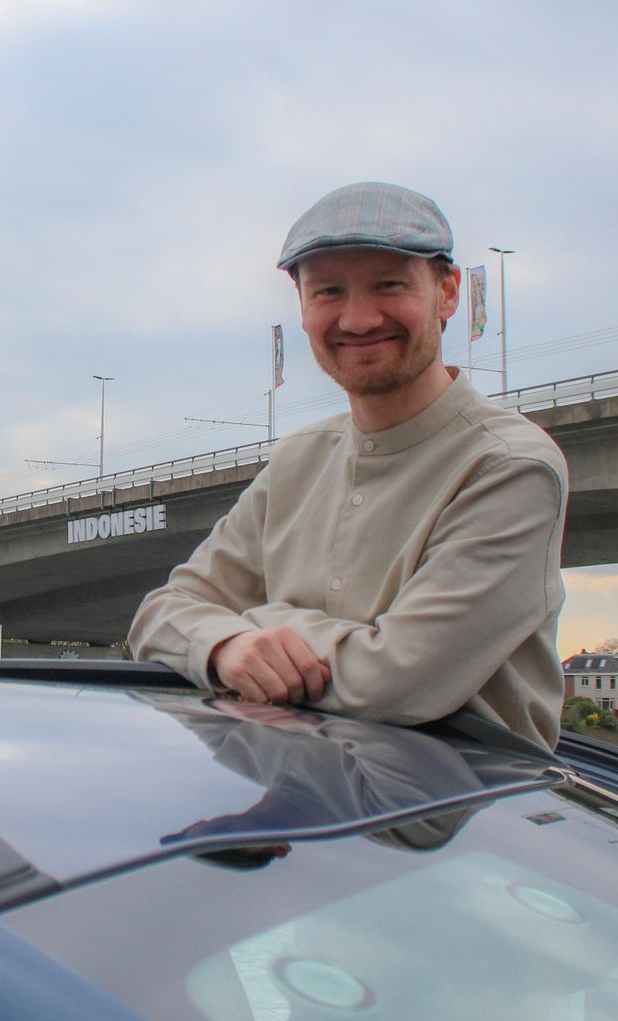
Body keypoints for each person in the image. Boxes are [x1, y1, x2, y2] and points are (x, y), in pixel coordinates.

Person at [128, 181, 569, 751]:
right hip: (301, 813)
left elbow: (396, 683)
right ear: (302, 306)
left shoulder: (510, 467)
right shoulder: (296, 460)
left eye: (389, 285)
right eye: (329, 292)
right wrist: (225, 647)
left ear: (448, 291)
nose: (358, 320)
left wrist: (257, 623)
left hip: (464, 821)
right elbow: (158, 616)